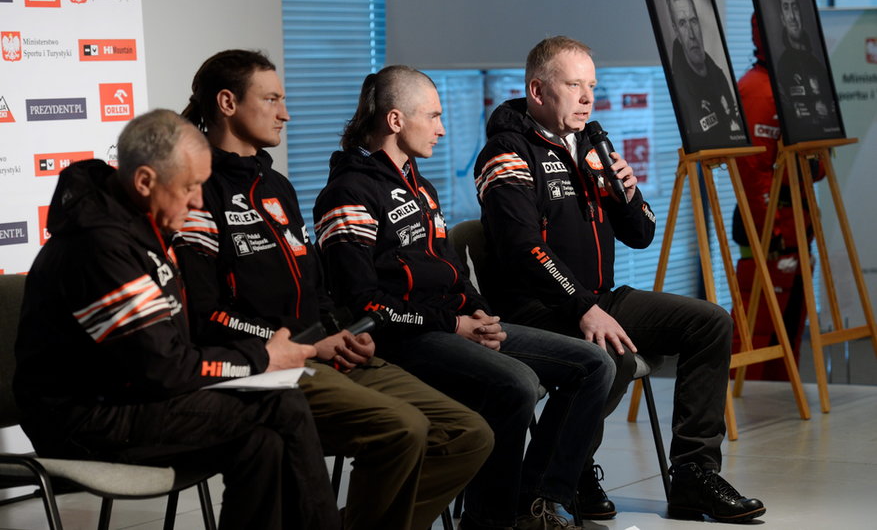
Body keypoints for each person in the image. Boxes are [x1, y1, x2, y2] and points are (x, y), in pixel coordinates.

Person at [174, 50, 493, 530]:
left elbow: (314, 285)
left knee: (469, 433)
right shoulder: (197, 191)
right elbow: (207, 314)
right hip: (263, 366)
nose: (285, 113)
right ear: (227, 103)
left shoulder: (276, 185)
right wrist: (306, 343)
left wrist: (340, 331)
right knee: (404, 430)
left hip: (323, 350)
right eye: (272, 99)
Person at [473, 36, 766, 524]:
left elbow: (642, 234)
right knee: (616, 357)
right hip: (537, 308)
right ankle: (560, 477)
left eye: (592, 85)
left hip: (599, 298)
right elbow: (523, 249)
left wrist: (627, 194)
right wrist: (582, 307)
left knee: (710, 322)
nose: (588, 97)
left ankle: (693, 476)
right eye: (574, 85)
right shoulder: (507, 151)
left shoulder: (592, 144)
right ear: (538, 90)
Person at [313, 65, 615, 530]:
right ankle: (487, 521)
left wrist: (479, 311)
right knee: (513, 384)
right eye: (432, 116)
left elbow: (453, 269)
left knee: (596, 366)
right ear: (396, 121)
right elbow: (365, 306)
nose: (442, 128)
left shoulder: (420, 184)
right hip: (404, 339)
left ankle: (535, 504)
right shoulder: (347, 192)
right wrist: (455, 325)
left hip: (455, 324)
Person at [13, 109, 340, 530]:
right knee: (283, 404)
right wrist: (261, 357)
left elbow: (167, 356)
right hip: (83, 422)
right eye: (190, 187)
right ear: (145, 181)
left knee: (262, 444)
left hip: (129, 400)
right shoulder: (98, 246)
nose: (199, 201)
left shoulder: (137, 226)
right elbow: (164, 367)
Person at [731, 14, 825, 380]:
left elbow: (815, 168)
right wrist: (772, 233)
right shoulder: (757, 90)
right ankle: (749, 414)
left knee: (789, 335)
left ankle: (787, 408)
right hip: (770, 236)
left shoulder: (796, 86)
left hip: (797, 232)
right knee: (757, 337)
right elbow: (752, 174)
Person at [665, 0, 746, 150]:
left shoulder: (719, 75)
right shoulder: (681, 91)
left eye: (693, 21)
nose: (692, 34)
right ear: (676, 31)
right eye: (683, 23)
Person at [773, 0, 840, 140]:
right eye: (786, 8)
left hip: (821, 149)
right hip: (796, 150)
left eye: (794, 7)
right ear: (782, 17)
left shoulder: (818, 65)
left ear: (801, 12)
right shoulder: (781, 68)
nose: (792, 17)